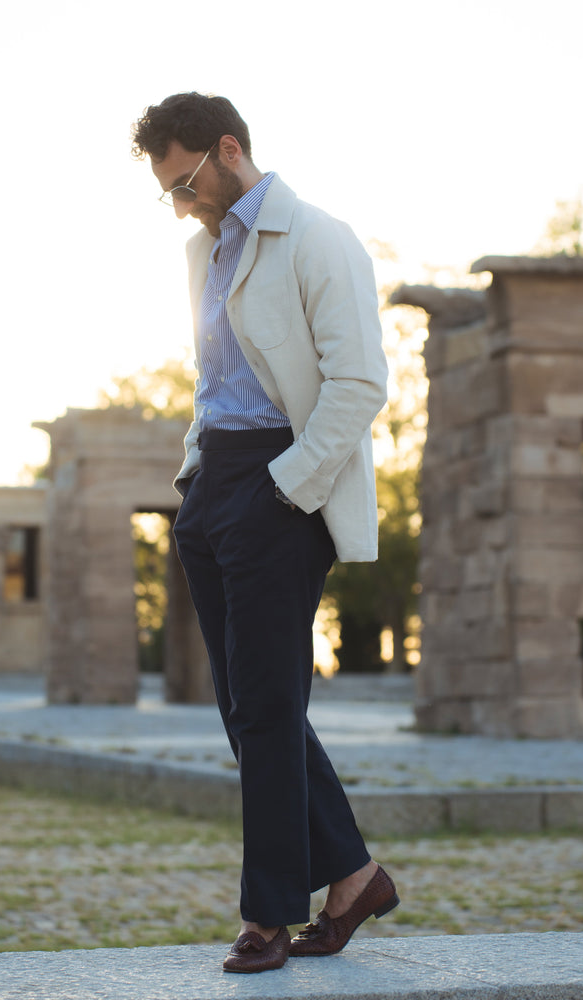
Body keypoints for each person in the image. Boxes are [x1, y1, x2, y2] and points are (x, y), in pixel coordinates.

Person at [130, 92, 398, 974]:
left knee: (272, 707)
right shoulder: (202, 250)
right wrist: (196, 474)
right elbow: (215, 376)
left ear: (228, 150)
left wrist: (285, 489)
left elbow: (359, 383)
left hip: (286, 482)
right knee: (248, 708)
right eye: (166, 189)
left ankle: (270, 915)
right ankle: (354, 878)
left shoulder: (321, 240)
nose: (178, 203)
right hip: (214, 484)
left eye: (183, 181)